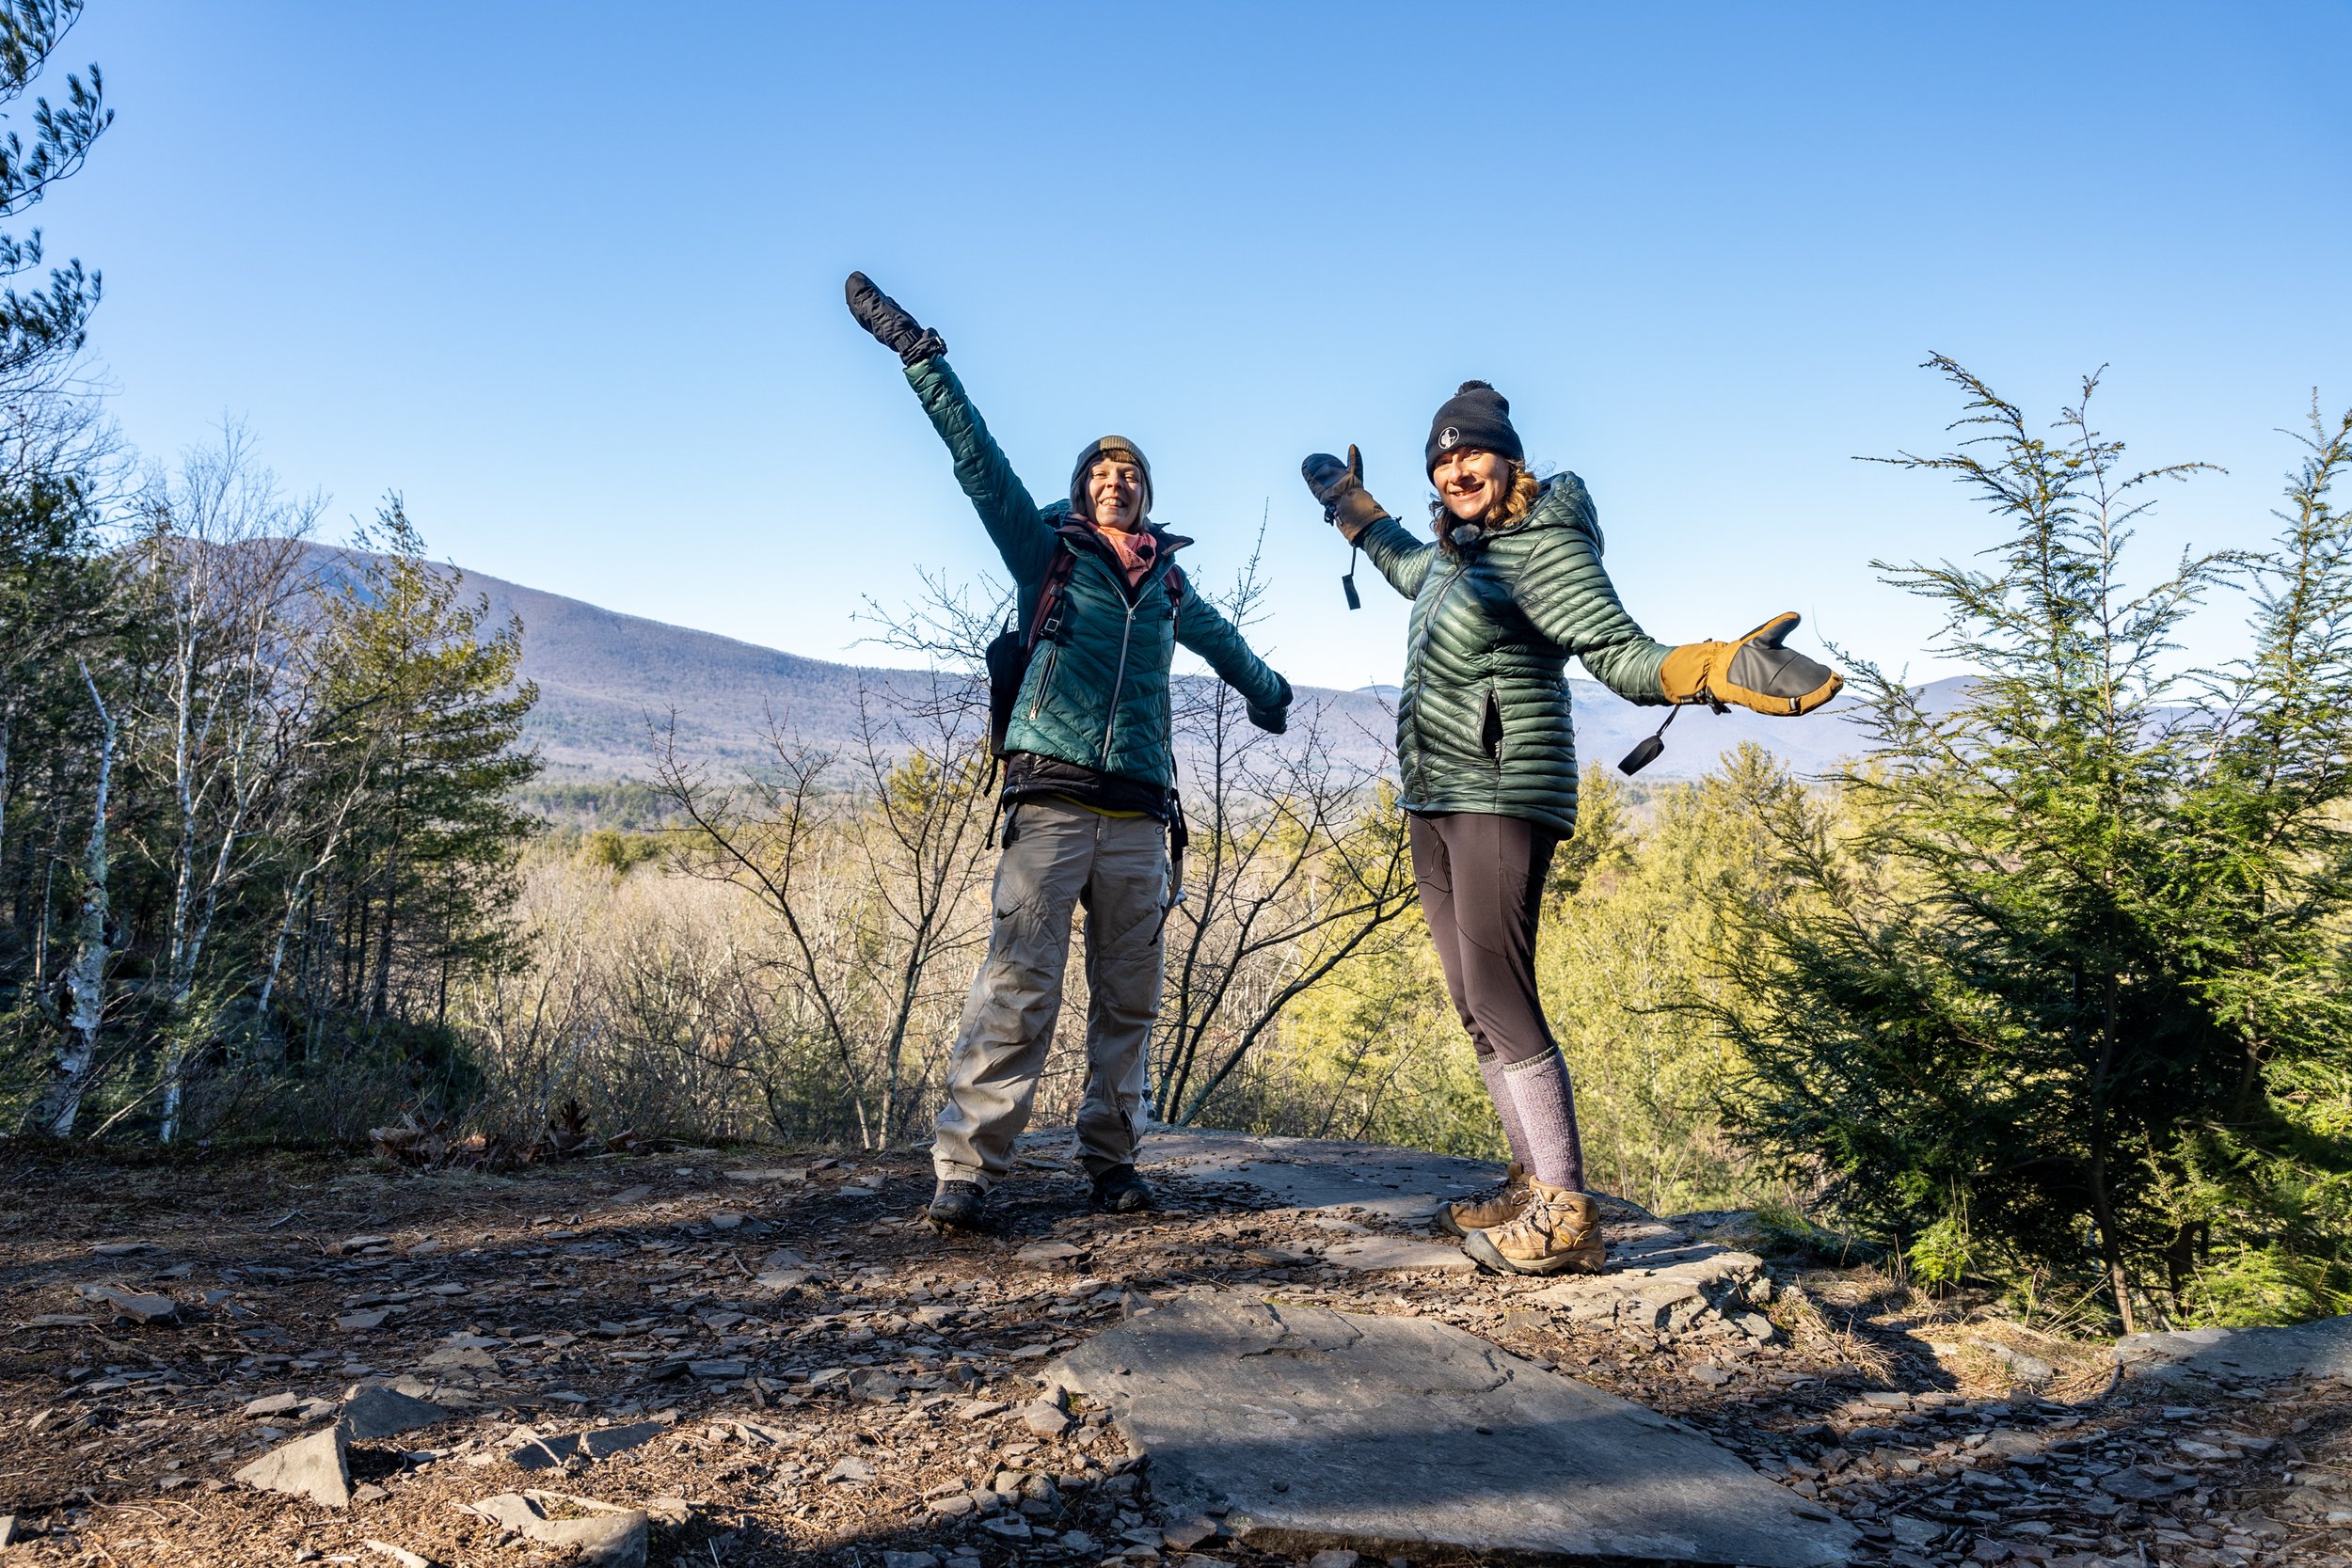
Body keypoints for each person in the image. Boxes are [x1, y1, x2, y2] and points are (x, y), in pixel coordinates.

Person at [1300, 381, 1840, 1275]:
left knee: (1505, 997)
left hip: (1503, 790)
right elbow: (1403, 560)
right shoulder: (1457, 551)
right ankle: (1528, 1181)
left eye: (1472, 452)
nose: (1457, 469)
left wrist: (1710, 665)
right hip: (1434, 792)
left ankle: (1565, 1211)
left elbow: (1618, 651)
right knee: (1475, 1002)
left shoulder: (1542, 545)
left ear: (1508, 457)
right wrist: (1351, 511)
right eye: (1442, 459)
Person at [846, 272, 1293, 1229]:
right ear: (1082, 488)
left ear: (1147, 492)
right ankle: (966, 1166)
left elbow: (1226, 644)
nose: (1115, 481)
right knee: (1019, 982)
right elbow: (980, 466)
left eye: (1129, 473)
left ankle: (1111, 1158)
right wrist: (923, 360)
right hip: (1049, 797)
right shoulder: (1047, 551)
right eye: (1100, 472)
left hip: (1138, 810)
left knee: (1128, 998)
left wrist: (1269, 693)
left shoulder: (1168, 586)